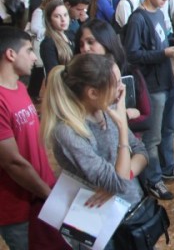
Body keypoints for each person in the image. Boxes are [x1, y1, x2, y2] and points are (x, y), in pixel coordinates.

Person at [41, 54, 150, 249]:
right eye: (116, 83)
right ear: (92, 93)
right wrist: (123, 129)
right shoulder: (68, 131)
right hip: (98, 223)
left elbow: (141, 152)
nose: (122, 88)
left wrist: (127, 174)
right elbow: (118, 182)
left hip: (130, 211)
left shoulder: (107, 109)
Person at [123, 0, 174, 201]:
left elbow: (163, 37)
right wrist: (162, 53)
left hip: (167, 79)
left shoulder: (159, 12)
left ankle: (168, 166)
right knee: (152, 137)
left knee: (168, 129)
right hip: (151, 84)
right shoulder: (137, 19)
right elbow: (132, 54)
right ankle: (154, 179)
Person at [0, 27, 67, 249]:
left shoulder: (19, 87)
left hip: (41, 195)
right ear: (10, 54)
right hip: (18, 206)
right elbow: (12, 162)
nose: (33, 57)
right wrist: (47, 193)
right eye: (29, 50)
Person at [76, 19, 151, 137]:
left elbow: (147, 119)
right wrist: (124, 116)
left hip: (131, 143)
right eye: (81, 44)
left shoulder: (130, 72)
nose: (85, 48)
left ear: (106, 42)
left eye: (91, 42)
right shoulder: (77, 79)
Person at [39, 0, 74, 74]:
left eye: (65, 15)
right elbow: (53, 74)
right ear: (49, 20)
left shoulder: (71, 35)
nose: (63, 19)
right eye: (57, 16)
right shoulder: (48, 44)